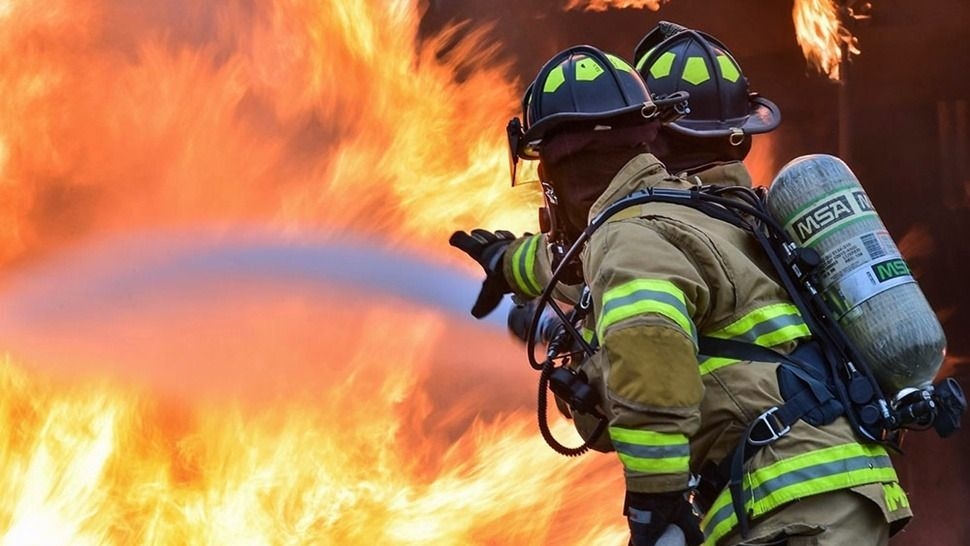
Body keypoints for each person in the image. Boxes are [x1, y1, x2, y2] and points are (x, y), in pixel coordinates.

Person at [450, 26, 911, 546]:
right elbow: (580, 257)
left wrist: (655, 503)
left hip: (792, 500)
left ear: (560, 171)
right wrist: (510, 261)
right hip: (823, 490)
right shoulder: (696, 211)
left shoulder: (631, 236)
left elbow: (649, 364)